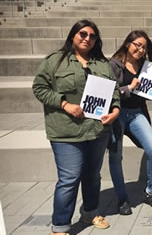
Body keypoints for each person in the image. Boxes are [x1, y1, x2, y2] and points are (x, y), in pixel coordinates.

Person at [32, 19, 120, 235]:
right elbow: (39, 88)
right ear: (73, 35)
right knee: (69, 178)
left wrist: (115, 111)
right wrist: (65, 104)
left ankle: (90, 212)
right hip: (66, 132)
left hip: (97, 131)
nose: (87, 39)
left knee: (93, 175)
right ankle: (60, 226)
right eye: (82, 34)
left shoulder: (102, 63)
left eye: (92, 36)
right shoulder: (55, 61)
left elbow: (114, 91)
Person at [108, 30, 152, 215]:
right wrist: (127, 88)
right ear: (127, 43)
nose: (140, 50)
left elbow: (146, 93)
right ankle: (122, 198)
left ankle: (151, 192)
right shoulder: (114, 64)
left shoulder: (145, 66)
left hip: (136, 113)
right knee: (116, 157)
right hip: (116, 114)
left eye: (144, 47)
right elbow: (107, 92)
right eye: (137, 45)